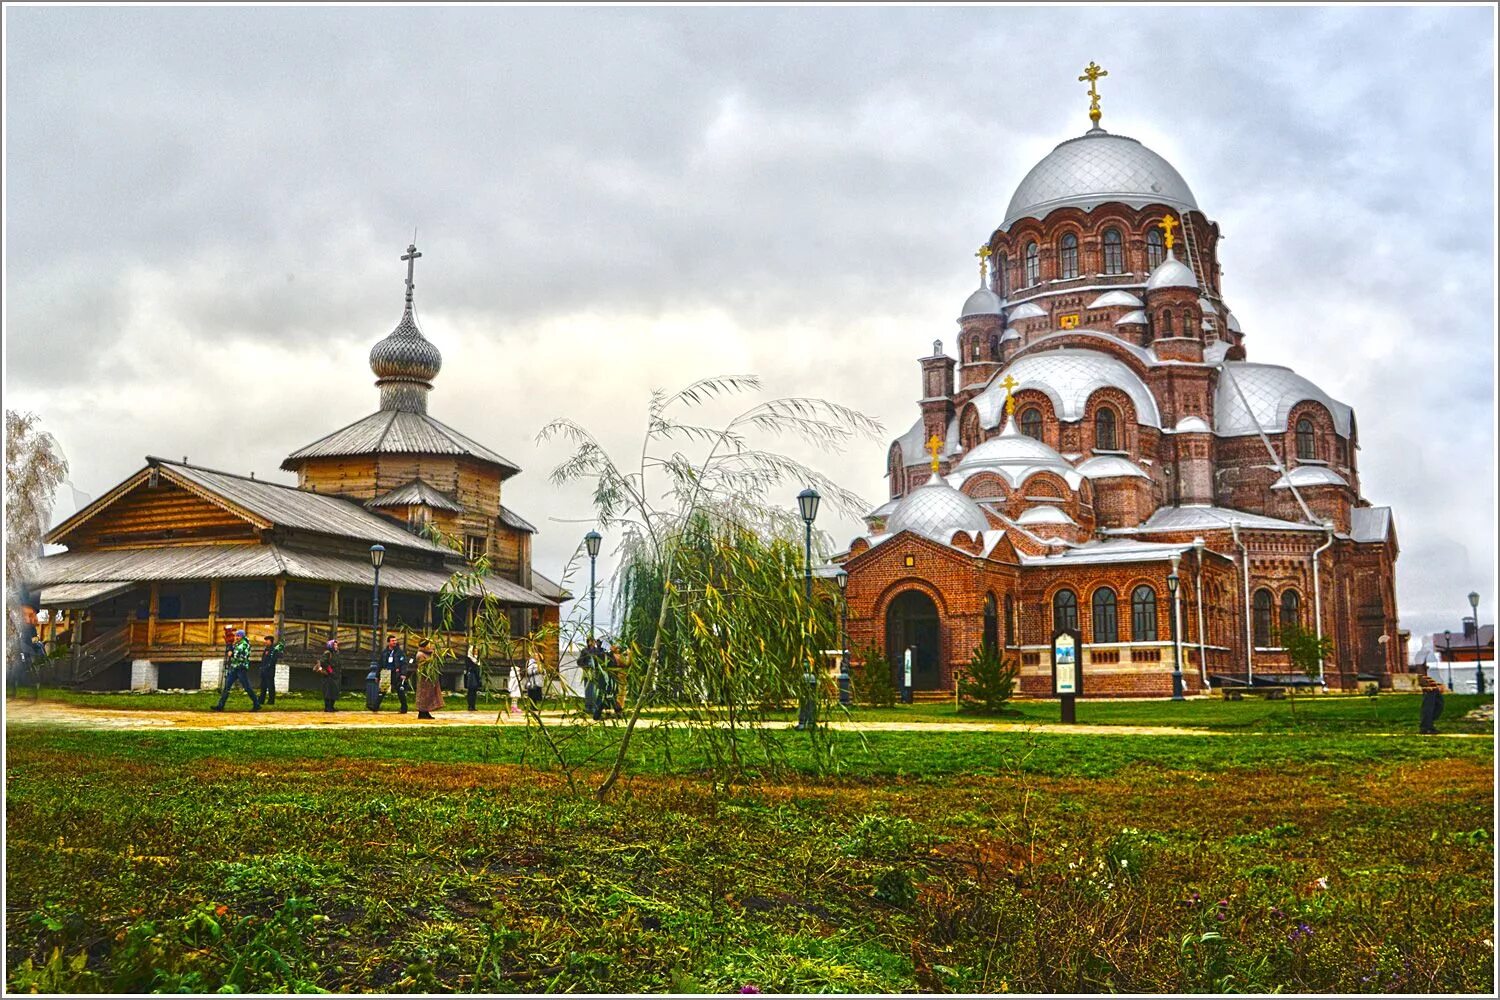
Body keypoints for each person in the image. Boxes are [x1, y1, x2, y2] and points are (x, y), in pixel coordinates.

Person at [212, 629, 261, 712]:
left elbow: (237, 654)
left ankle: (256, 704)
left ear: (242, 636)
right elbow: (232, 651)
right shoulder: (238, 644)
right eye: (236, 636)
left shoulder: (244, 644)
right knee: (227, 686)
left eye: (238, 636)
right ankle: (220, 705)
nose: (236, 637)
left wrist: (231, 652)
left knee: (247, 687)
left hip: (241, 668)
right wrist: (229, 645)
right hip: (235, 667)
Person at [377, 634, 409, 713]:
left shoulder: (399, 652)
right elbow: (380, 664)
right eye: (392, 641)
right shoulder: (384, 652)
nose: (395, 642)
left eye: (395, 640)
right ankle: (375, 706)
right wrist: (377, 675)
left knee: (400, 690)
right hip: (386, 673)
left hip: (396, 673)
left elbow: (404, 663)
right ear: (388, 642)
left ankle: (404, 708)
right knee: (382, 690)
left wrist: (403, 673)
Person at [414, 639, 444, 719]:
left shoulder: (429, 653)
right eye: (429, 644)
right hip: (424, 678)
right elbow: (423, 667)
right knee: (424, 695)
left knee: (429, 695)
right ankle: (422, 712)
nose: (430, 646)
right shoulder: (420, 654)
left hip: (430, 678)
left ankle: (426, 711)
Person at [257, 634, 283, 706]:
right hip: (263, 671)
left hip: (269, 671)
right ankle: (261, 700)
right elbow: (263, 660)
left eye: (267, 640)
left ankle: (271, 701)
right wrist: (262, 668)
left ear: (271, 641)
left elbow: (273, 661)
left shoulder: (274, 650)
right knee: (263, 686)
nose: (266, 642)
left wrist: (267, 667)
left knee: (270, 686)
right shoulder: (266, 649)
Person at [316, 639, 341, 712]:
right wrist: (330, 670)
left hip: (335, 676)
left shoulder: (336, 653)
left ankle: (332, 707)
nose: (336, 646)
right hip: (328, 676)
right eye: (334, 645)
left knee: (334, 691)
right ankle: (327, 707)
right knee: (328, 692)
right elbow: (323, 662)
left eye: (336, 645)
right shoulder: (327, 653)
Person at [1419, 671, 1446, 735]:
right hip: (1427, 681)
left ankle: (1428, 724)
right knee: (1429, 705)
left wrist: (1439, 683)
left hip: (1432, 679)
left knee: (1439, 704)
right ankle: (1426, 727)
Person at [463, 647, 482, 712]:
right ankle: (470, 706)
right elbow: (470, 667)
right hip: (471, 676)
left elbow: (478, 668)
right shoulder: (469, 658)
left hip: (476, 676)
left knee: (474, 692)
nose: (476, 652)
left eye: (477, 651)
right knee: (470, 692)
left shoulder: (478, 660)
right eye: (475, 651)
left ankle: (473, 706)